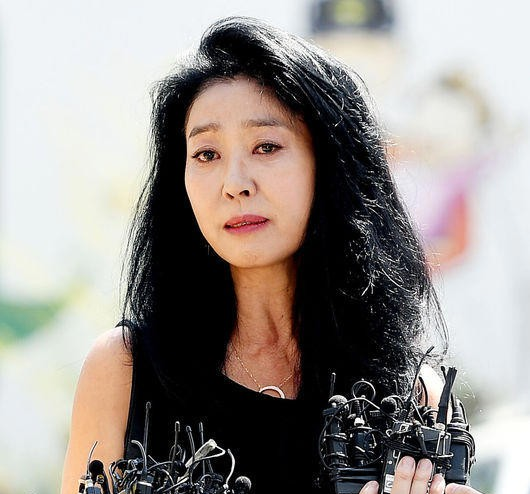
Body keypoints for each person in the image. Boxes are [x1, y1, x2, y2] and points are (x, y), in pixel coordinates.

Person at [60, 15, 484, 494]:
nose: (235, 183)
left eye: (266, 146)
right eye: (206, 154)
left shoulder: (411, 394)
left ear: (329, 167)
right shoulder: (123, 372)